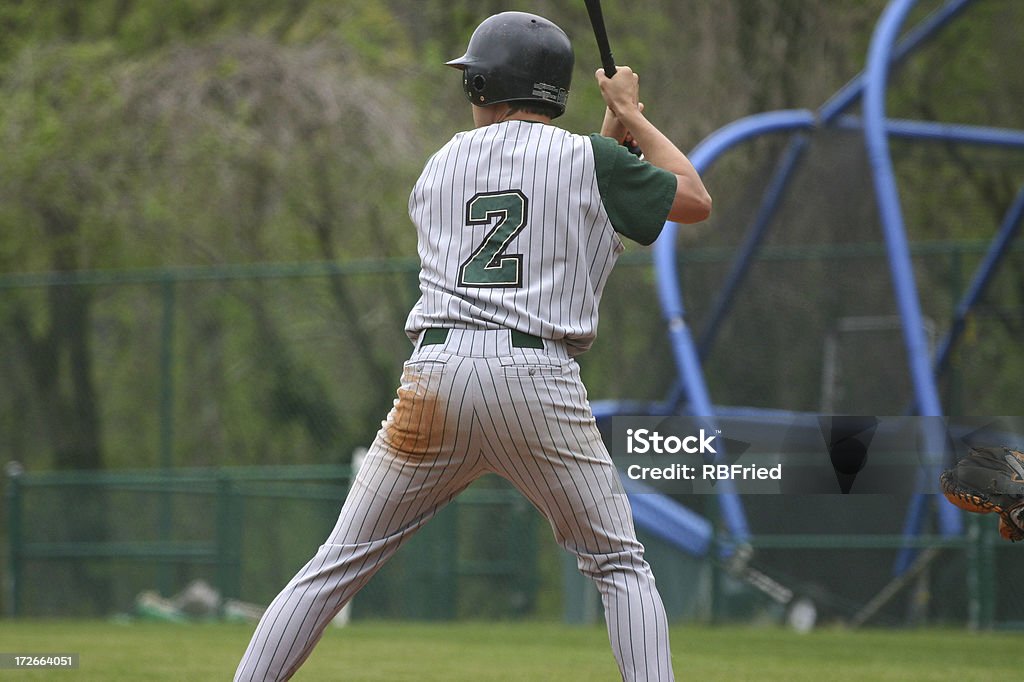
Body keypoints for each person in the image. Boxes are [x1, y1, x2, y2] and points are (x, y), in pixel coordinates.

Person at [234, 11, 710, 681]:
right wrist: (631, 113)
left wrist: (608, 139)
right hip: (536, 381)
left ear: (487, 84)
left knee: (334, 564)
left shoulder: (440, 165)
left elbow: (554, 210)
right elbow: (691, 199)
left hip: (436, 378)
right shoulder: (587, 160)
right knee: (618, 565)